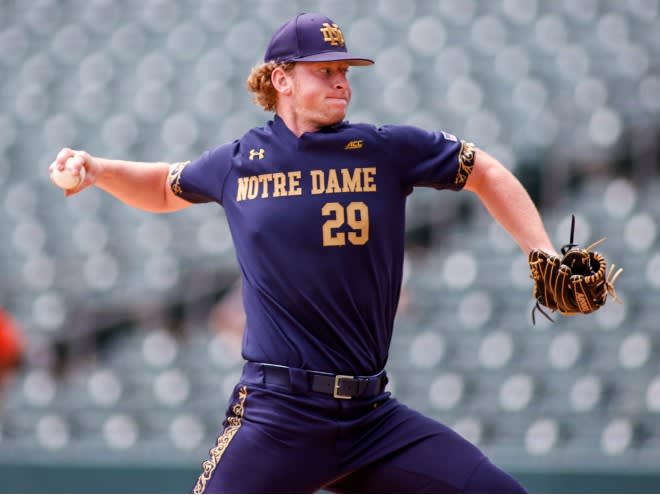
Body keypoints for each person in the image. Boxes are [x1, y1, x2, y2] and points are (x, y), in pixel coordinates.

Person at [50, 13, 559, 493]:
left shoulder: (384, 150)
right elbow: (164, 185)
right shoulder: (240, 161)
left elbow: (484, 170)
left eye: (344, 71)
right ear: (282, 79)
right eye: (324, 71)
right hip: (279, 415)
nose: (341, 82)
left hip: (371, 418)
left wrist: (542, 253)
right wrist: (100, 171)